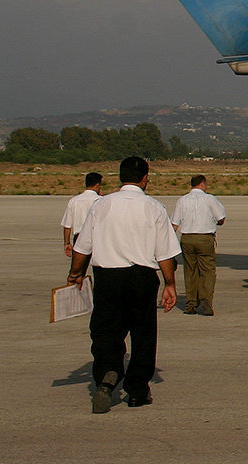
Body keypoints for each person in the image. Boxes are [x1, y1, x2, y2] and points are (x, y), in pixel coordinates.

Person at [67, 156, 178, 413]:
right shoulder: (154, 207)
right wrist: (170, 284)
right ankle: (138, 390)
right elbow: (165, 254)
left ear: (120, 177)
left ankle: (107, 375)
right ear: (144, 178)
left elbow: (82, 247)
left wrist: (75, 273)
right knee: (143, 334)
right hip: (142, 277)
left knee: (106, 330)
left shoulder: (101, 205)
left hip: (108, 277)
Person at [171, 175, 226, 316]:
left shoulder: (182, 200)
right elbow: (221, 218)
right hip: (204, 238)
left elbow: (174, 224)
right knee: (207, 271)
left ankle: (191, 303)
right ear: (202, 184)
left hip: (187, 238)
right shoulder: (209, 199)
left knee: (190, 271)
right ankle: (206, 301)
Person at [61, 172, 103, 260]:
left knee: (78, 269)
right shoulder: (101, 200)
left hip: (79, 238)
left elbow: (67, 225)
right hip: (96, 237)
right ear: (97, 185)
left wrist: (67, 242)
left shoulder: (74, 200)